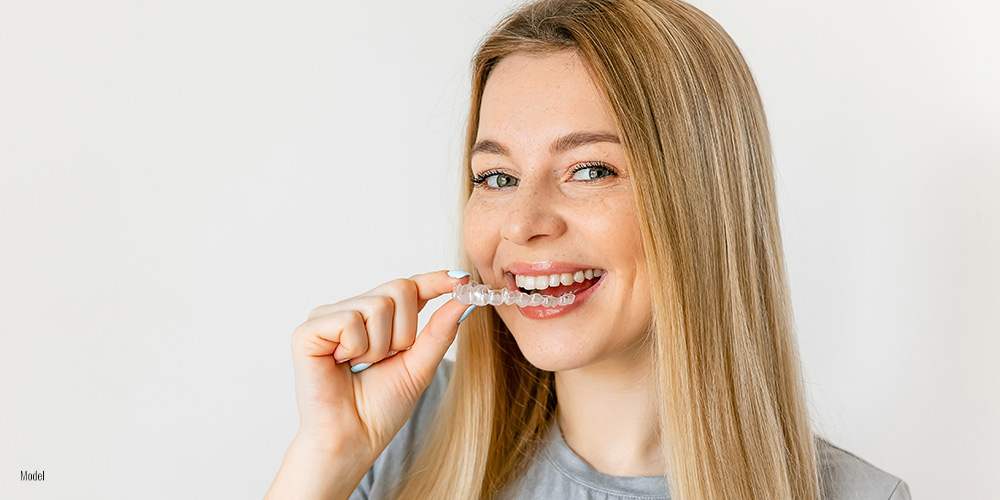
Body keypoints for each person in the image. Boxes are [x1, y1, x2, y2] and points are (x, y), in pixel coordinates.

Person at [264, 0, 912, 499]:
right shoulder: (401, 435)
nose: (522, 223)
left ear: (700, 199)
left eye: (590, 170)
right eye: (496, 177)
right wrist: (326, 459)